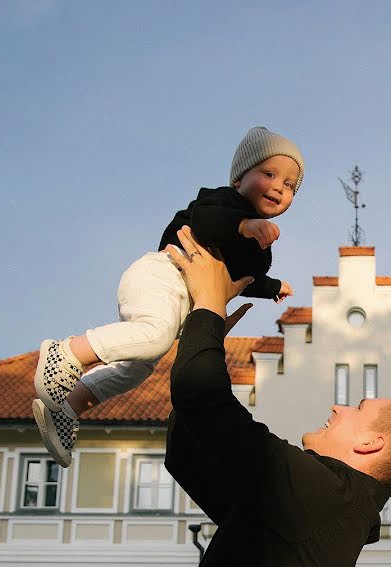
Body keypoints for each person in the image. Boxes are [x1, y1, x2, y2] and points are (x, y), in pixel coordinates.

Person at [162, 225, 391, 567]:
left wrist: (208, 308)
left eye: (359, 407)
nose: (337, 406)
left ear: (370, 442)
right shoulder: (324, 510)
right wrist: (202, 334)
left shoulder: (328, 495)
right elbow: (186, 453)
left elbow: (205, 403)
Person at [32, 126, 303, 467]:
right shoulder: (221, 201)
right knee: (156, 336)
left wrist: (272, 287)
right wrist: (244, 226)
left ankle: (69, 406)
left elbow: (244, 280)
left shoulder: (262, 251)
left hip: (178, 306)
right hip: (162, 276)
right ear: (239, 179)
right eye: (269, 174)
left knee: (138, 367)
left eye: (290, 185)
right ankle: (67, 351)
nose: (279, 186)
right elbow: (207, 222)